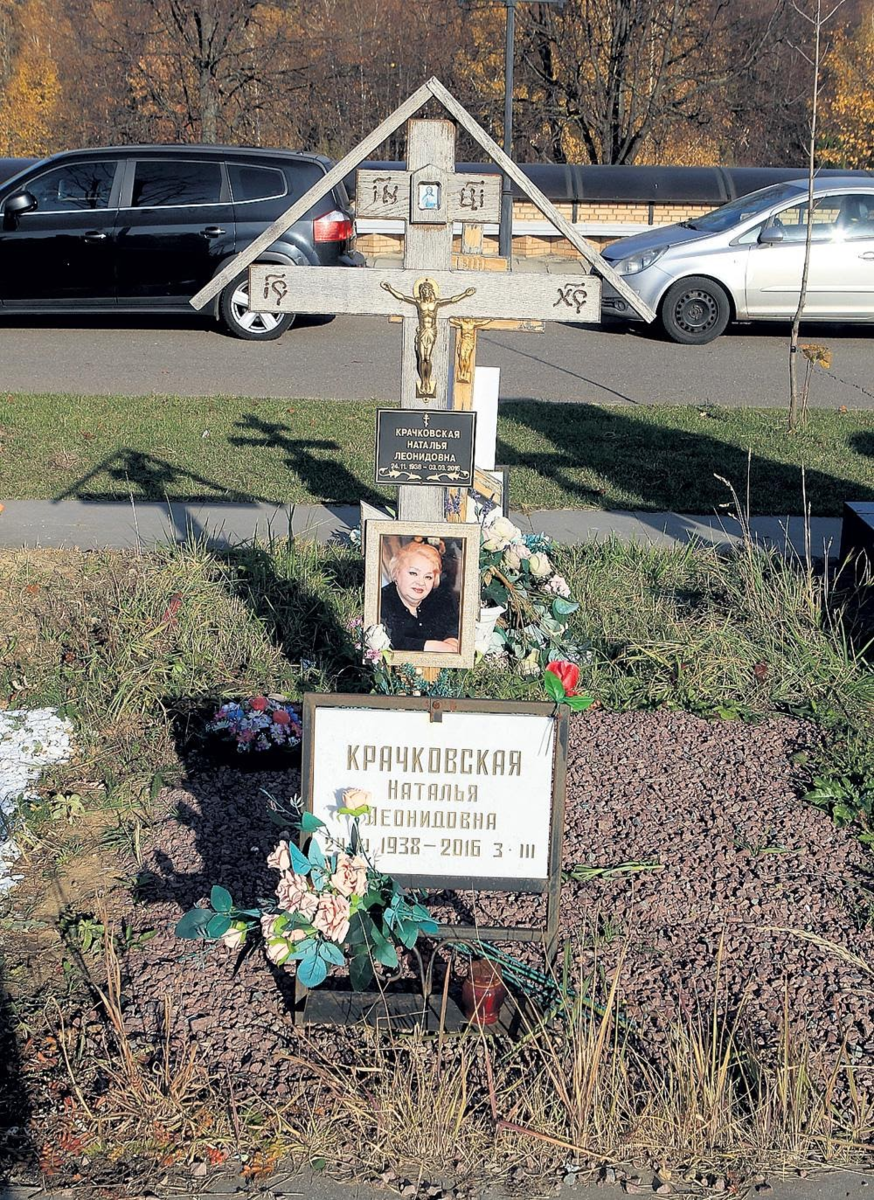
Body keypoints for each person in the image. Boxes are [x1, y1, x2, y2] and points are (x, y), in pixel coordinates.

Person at [380, 540, 459, 653]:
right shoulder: (381, 600)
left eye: (428, 577)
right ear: (396, 573)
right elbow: (391, 641)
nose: (421, 583)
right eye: (413, 573)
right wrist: (434, 646)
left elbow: (453, 627)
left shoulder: (440, 598)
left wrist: (452, 640)